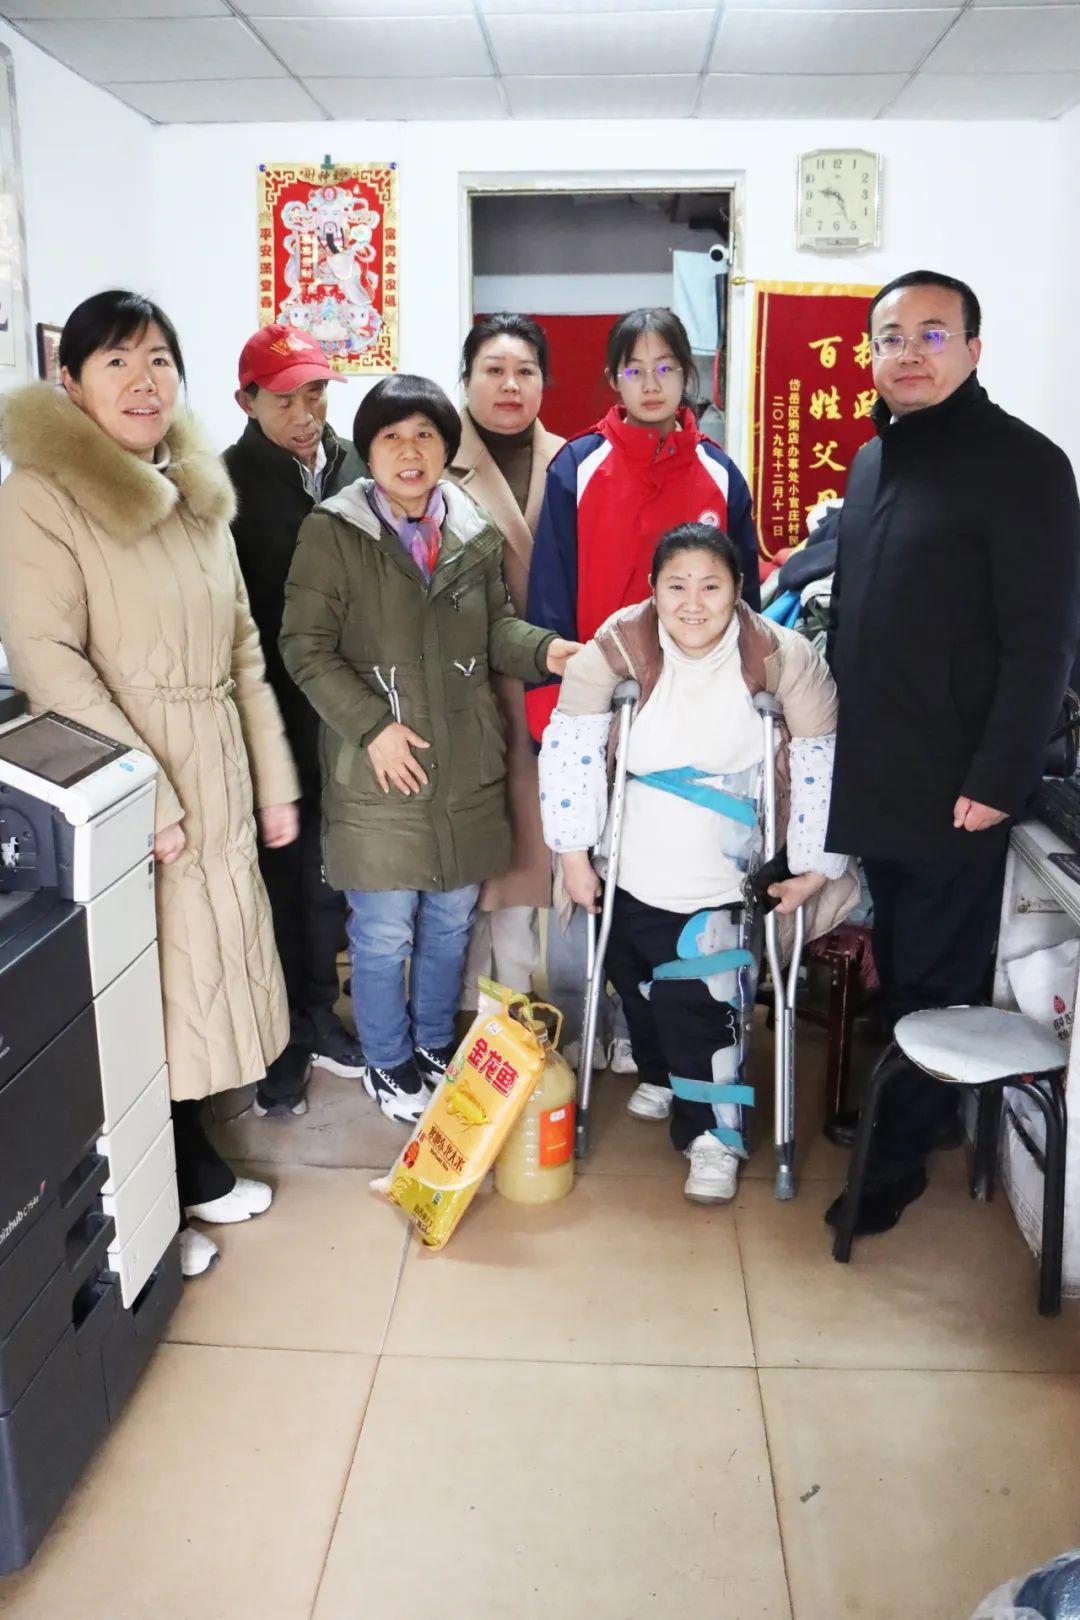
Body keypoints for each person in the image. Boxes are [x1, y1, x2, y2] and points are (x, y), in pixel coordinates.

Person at [0, 291, 300, 1280]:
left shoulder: (195, 491)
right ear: (71, 382)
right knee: (143, 992)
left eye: (160, 358)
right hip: (125, 779)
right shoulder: (41, 495)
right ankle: (151, 1200)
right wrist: (149, 797)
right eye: (118, 361)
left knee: (201, 978)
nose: (143, 381)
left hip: (215, 761)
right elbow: (50, 664)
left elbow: (243, 651)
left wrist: (272, 781)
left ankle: (188, 1162)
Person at [825, 269, 1080, 1235]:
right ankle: (913, 1112)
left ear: (973, 349)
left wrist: (1000, 776)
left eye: (933, 334)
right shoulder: (871, 459)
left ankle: (891, 1170)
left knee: (936, 973)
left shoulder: (1025, 465)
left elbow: (1043, 641)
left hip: (958, 784)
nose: (910, 353)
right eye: (891, 337)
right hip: (876, 770)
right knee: (897, 958)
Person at [279, 374, 579, 1125]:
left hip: (464, 765)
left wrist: (546, 651)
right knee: (383, 933)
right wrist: (372, 727)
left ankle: (435, 1045)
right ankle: (387, 1061)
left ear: (447, 449)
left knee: (449, 923)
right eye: (391, 437)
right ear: (369, 450)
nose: (409, 452)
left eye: (425, 436)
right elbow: (305, 647)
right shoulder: (334, 531)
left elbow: (495, 631)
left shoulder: (472, 530)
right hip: (380, 770)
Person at [539, 523, 855, 1200]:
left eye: (710, 586)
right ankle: (662, 1074)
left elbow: (821, 765)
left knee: (702, 1006)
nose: (692, 603)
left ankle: (716, 1137)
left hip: (721, 878)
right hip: (629, 868)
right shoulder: (618, 645)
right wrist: (572, 857)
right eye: (676, 585)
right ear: (653, 590)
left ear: (738, 589)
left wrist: (813, 866)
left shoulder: (781, 657)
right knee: (638, 985)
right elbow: (570, 750)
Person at [525, 306, 762, 1082]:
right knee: (595, 873)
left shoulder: (720, 473)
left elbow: (750, 607)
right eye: (635, 369)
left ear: (689, 377)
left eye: (666, 368)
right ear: (613, 380)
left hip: (698, 721)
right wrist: (552, 717)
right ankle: (605, 1022)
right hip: (603, 711)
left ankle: (663, 1036)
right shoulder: (579, 466)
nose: (651, 383)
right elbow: (550, 600)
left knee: (674, 882)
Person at [223, 324, 367, 1117]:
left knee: (327, 880)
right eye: (284, 400)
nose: (305, 414)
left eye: (315, 394)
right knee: (278, 883)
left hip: (348, 712)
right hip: (272, 715)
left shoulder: (353, 466)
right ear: (246, 401)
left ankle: (319, 1013)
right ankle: (281, 1038)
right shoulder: (224, 485)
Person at [446, 314, 565, 1009]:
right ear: (466, 379)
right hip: (460, 685)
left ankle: (509, 1011)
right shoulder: (430, 455)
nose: (510, 385)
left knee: (526, 857)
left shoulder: (572, 460)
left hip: (543, 681)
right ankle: (458, 1012)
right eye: (493, 370)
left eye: (525, 371)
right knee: (463, 866)